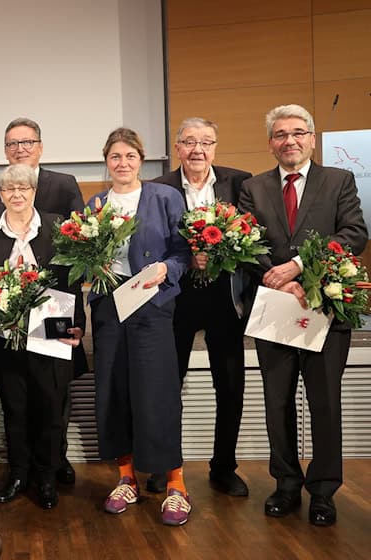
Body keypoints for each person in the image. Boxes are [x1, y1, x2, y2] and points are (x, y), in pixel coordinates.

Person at [239, 104, 367, 527]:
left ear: (312, 138)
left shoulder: (339, 180)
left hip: (324, 309)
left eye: (297, 132)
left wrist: (299, 267)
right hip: (275, 308)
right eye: (280, 134)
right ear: (271, 142)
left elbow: (354, 234)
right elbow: (246, 245)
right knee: (276, 403)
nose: (289, 140)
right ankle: (286, 484)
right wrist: (280, 280)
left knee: (324, 404)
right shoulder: (253, 188)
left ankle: (324, 491)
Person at [88, 128, 192, 525]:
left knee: (158, 393)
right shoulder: (96, 203)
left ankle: (176, 486)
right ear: (107, 161)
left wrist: (167, 268)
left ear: (141, 160)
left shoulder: (165, 197)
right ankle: (126, 478)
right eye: (115, 156)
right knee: (115, 391)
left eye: (130, 156)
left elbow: (183, 251)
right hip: (110, 309)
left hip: (153, 307)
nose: (123, 163)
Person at [0, 164, 85, 509]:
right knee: (15, 409)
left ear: (34, 191)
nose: (16, 194)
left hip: (52, 327)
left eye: (23, 188)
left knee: (49, 408)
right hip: (5, 334)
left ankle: (46, 478)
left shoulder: (56, 226)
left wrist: (77, 327)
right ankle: (19, 473)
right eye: (9, 189)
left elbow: (72, 280)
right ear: (0, 195)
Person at [147, 117, 253, 496]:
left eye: (206, 142)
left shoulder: (240, 183)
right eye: (189, 142)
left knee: (230, 386)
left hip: (225, 299)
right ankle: (165, 465)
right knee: (166, 386)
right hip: (174, 300)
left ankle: (223, 466)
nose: (198, 150)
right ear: (177, 148)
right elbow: (149, 244)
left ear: (215, 146)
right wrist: (184, 258)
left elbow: (255, 237)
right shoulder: (156, 189)